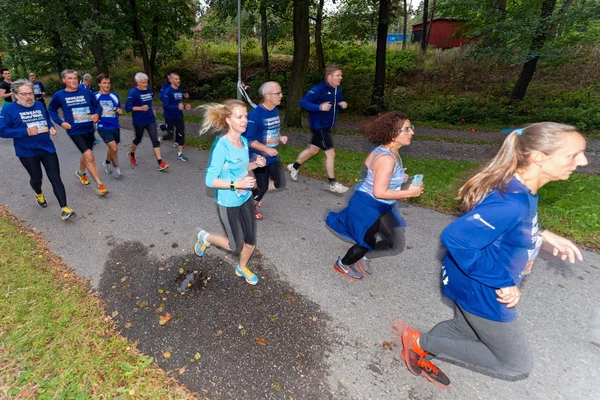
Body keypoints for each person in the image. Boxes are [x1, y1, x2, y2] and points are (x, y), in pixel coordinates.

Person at [396, 122, 588, 388]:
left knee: (462, 329)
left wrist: (540, 233)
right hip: (485, 290)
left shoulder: (521, 188)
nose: (583, 161)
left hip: (469, 282)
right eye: (573, 155)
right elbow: (457, 239)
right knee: (515, 363)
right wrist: (503, 281)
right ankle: (418, 343)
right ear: (539, 157)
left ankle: (422, 348)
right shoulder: (512, 201)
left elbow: (504, 225)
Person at [326, 112, 423, 281]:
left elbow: (369, 163)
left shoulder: (386, 149)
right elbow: (379, 192)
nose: (412, 132)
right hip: (368, 206)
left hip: (382, 206)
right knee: (366, 243)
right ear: (393, 134)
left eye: (411, 128)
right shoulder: (387, 159)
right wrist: (409, 192)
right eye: (407, 129)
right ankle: (344, 263)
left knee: (394, 243)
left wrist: (398, 177)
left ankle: (363, 257)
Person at [194, 100, 266, 286]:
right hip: (228, 203)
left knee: (250, 240)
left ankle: (241, 269)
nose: (244, 121)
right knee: (235, 246)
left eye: (246, 117)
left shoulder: (243, 141)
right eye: (239, 117)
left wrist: (255, 165)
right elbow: (210, 180)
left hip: (245, 198)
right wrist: (237, 184)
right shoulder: (221, 146)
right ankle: (205, 237)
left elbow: (241, 168)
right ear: (228, 120)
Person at [0, 79, 75, 220]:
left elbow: (46, 117)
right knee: (36, 179)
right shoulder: (9, 109)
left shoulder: (40, 104)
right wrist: (25, 132)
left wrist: (51, 127)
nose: (29, 97)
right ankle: (38, 193)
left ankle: (64, 208)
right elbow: (2, 131)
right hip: (27, 152)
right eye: (24, 94)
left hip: (47, 148)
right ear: (15, 95)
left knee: (55, 177)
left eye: (31, 93)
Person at [287, 65, 349, 194]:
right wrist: (319, 107)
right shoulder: (318, 89)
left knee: (312, 150)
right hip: (318, 126)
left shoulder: (338, 89)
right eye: (338, 75)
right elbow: (303, 102)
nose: (341, 78)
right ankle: (333, 183)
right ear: (329, 77)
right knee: (330, 154)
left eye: (341, 75)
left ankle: (294, 167)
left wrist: (342, 103)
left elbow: (337, 101)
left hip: (326, 126)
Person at [48, 69, 108, 196]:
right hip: (74, 130)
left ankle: (80, 173)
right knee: (90, 156)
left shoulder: (86, 92)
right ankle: (100, 184)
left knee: (86, 154)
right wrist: (61, 122)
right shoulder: (59, 95)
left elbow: (97, 106)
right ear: (64, 80)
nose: (73, 80)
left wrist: (97, 114)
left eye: (74, 78)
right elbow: (52, 110)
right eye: (69, 78)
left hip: (89, 128)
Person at [242, 81, 288, 220]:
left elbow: (270, 130)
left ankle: (252, 193)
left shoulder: (274, 109)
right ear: (267, 95)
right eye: (277, 93)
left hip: (271, 155)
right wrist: (266, 149)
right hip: (258, 157)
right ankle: (249, 208)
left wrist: (280, 137)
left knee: (279, 183)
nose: (281, 95)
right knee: (263, 187)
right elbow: (249, 140)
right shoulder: (256, 114)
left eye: (281, 92)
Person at [125, 72, 169, 171]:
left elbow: (149, 101)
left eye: (146, 82)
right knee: (138, 139)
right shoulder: (133, 93)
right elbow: (127, 108)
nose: (146, 84)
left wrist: (152, 108)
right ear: (138, 83)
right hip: (139, 121)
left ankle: (160, 162)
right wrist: (140, 108)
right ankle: (131, 154)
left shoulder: (148, 90)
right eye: (143, 82)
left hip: (150, 119)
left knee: (155, 139)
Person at [94, 73, 123, 178]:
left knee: (112, 148)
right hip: (102, 126)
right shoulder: (94, 96)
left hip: (115, 125)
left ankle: (106, 163)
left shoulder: (114, 96)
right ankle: (117, 168)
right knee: (114, 148)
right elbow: (91, 112)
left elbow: (118, 109)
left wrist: (119, 111)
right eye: (104, 83)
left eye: (109, 83)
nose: (107, 85)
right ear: (99, 84)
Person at [160, 71, 191, 161]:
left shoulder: (180, 91)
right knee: (170, 135)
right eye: (176, 79)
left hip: (179, 116)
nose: (178, 80)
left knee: (181, 134)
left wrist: (185, 106)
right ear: (171, 80)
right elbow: (165, 106)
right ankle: (160, 138)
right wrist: (176, 107)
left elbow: (179, 103)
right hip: (169, 117)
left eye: (179, 79)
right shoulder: (167, 91)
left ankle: (179, 154)